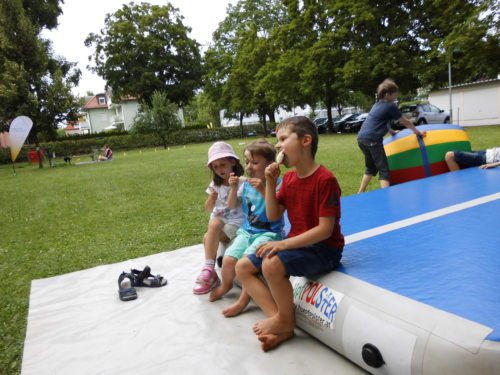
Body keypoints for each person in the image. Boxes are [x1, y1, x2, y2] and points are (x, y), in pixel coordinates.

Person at [235, 116, 345, 352]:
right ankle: (282, 322)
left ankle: (284, 320)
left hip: (325, 249)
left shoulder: (325, 180)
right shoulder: (289, 179)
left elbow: (325, 230)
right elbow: (273, 215)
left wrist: (284, 245)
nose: (278, 146)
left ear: (306, 141)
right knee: (244, 267)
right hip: (299, 245)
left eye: (283, 139)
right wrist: (268, 184)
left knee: (271, 264)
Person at [209, 140, 283, 318]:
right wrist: (234, 187)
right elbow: (231, 204)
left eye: (255, 163)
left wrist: (264, 189)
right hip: (246, 231)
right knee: (228, 260)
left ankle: (243, 301)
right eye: (247, 161)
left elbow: (277, 212)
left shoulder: (278, 184)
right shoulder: (246, 184)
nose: (249, 166)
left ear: (270, 165)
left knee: (244, 263)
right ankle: (226, 285)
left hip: (268, 233)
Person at [357, 79, 426, 193]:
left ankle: (360, 193)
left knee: (371, 168)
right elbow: (406, 122)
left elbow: (381, 121)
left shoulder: (377, 105)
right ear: (387, 94)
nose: (396, 96)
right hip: (373, 140)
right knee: (384, 171)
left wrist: (392, 132)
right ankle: (386, 197)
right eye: (395, 94)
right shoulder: (390, 106)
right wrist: (417, 132)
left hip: (361, 139)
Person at [193, 141, 245, 295]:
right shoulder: (215, 185)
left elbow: (231, 206)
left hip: (235, 222)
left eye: (222, 165)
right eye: (215, 167)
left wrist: (233, 187)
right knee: (214, 224)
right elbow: (208, 208)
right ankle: (209, 269)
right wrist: (212, 198)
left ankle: (210, 272)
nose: (219, 170)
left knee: (207, 237)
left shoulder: (242, 183)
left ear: (233, 162)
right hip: (219, 222)